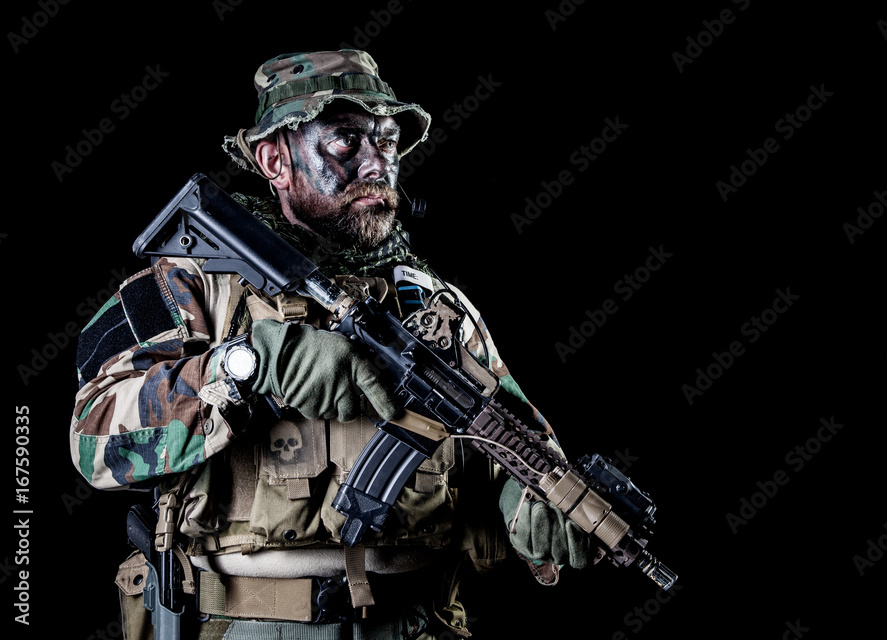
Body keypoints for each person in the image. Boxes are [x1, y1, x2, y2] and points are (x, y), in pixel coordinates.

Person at [70, 50, 589, 640]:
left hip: (418, 623)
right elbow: (95, 443)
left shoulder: (434, 307)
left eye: (387, 142)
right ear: (275, 159)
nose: (376, 163)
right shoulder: (191, 283)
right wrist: (248, 366)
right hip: (245, 622)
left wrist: (536, 508)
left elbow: (516, 449)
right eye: (346, 141)